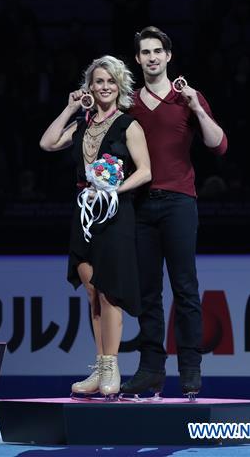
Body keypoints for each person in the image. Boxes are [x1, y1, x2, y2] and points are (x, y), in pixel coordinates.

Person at [122, 26, 228, 400]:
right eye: (144, 52)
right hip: (140, 206)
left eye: (157, 51)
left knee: (185, 288)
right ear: (137, 60)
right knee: (148, 292)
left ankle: (190, 369)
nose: (151, 57)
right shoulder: (129, 102)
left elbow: (218, 145)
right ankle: (151, 370)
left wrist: (197, 106)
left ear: (168, 56)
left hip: (180, 202)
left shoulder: (187, 98)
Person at [39, 55, 152, 399]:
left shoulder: (128, 125)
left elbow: (145, 171)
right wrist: (70, 108)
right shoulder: (83, 125)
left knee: (109, 291)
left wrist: (113, 190)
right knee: (91, 291)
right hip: (84, 213)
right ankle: (100, 364)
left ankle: (112, 367)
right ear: (89, 87)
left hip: (116, 214)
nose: (104, 87)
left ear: (120, 87)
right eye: (98, 81)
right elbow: (47, 143)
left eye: (110, 82)